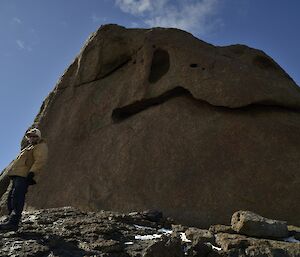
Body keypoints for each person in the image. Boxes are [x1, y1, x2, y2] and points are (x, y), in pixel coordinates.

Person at [0, 128, 48, 232]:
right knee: (11, 198)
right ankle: (10, 220)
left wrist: (32, 173)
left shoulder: (40, 146)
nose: (32, 138)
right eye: (30, 136)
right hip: (18, 175)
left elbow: (40, 161)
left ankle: (13, 222)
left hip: (24, 176)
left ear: (38, 137)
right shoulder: (30, 148)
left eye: (34, 136)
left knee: (17, 198)